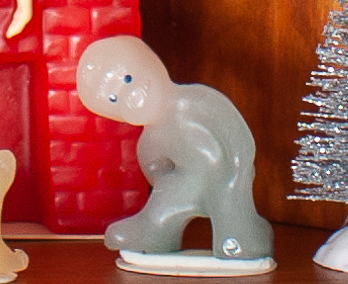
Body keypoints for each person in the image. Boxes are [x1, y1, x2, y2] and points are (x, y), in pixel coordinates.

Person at [76, 35, 274, 261]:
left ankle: (243, 235)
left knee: (233, 223)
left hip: (226, 178)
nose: (130, 96)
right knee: (161, 207)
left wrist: (241, 166)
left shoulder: (194, 100)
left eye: (129, 79)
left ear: (151, 61)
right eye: (114, 98)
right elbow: (154, 169)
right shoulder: (150, 139)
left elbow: (232, 128)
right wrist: (166, 183)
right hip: (180, 185)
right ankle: (154, 233)